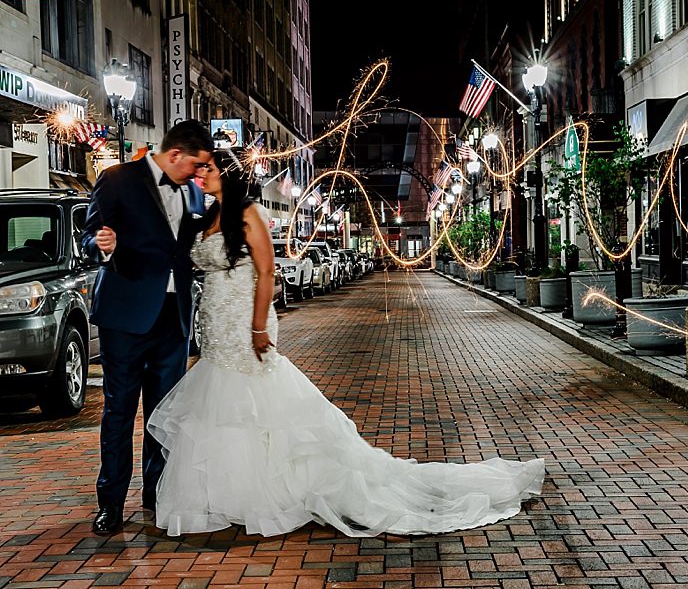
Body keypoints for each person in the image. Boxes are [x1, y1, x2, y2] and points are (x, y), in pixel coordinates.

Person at [147, 150, 544, 538]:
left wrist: (257, 326)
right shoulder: (206, 215)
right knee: (220, 410)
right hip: (215, 329)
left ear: (228, 175)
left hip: (243, 326)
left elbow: (267, 271)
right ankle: (224, 494)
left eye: (210, 168)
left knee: (252, 408)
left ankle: (263, 493)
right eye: (200, 168)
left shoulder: (249, 214)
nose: (201, 173)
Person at [82, 120, 214, 536]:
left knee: (164, 415)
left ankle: (157, 496)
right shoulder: (117, 179)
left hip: (173, 319)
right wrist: (100, 246)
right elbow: (89, 236)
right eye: (195, 164)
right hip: (126, 316)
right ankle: (111, 503)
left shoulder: (193, 192)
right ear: (175, 155)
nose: (198, 174)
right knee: (119, 411)